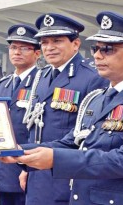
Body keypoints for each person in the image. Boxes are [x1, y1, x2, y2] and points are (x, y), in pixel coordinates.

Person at [15, 11, 123, 205]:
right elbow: (73, 142)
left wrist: (55, 159)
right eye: (96, 48)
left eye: (108, 49)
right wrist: (16, 151)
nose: (97, 55)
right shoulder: (97, 98)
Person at [19, 13, 108, 205]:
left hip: (67, 177)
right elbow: (34, 127)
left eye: (57, 41)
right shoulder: (41, 76)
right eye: (44, 42)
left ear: (75, 44)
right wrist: (26, 169)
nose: (49, 48)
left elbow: (89, 134)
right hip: (37, 175)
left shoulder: (92, 77)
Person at [0, 24, 41, 205]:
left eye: (24, 48)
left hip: (28, 163)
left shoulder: (42, 82)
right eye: (13, 47)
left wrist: (29, 167)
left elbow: (38, 129)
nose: (17, 52)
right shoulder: (4, 83)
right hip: (3, 164)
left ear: (37, 53)